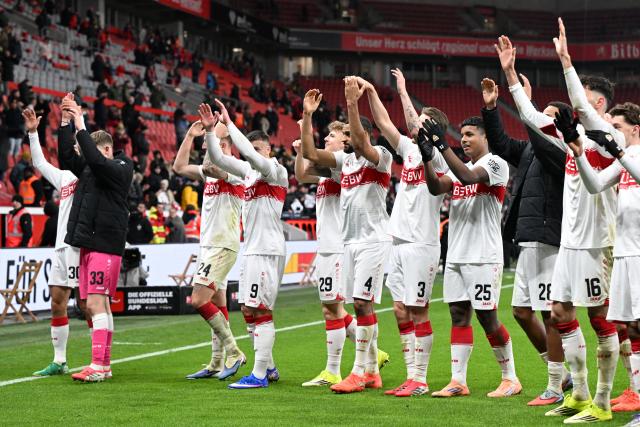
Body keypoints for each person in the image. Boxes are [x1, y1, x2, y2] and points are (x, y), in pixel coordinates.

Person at [501, 29, 618, 422]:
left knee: (600, 318)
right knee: (559, 313)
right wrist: (512, 78)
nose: (576, 103)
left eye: (584, 98)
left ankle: (601, 401)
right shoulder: (573, 136)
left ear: (597, 103)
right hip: (568, 243)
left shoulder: (608, 139)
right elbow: (533, 119)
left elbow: (581, 107)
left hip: (595, 243)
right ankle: (579, 394)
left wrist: (566, 61)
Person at [480, 76, 572, 405]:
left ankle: (554, 385)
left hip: (549, 237)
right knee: (521, 311)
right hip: (528, 237)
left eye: (547, 116)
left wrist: (527, 107)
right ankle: (561, 374)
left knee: (550, 313)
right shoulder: (532, 149)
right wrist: (491, 108)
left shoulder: (561, 151)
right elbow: (502, 146)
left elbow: (540, 133)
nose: (539, 120)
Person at [299, 80, 393, 394]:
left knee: (364, 304)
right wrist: (307, 116)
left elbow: (364, 142)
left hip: (373, 241)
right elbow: (311, 154)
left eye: (351, 134)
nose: (348, 139)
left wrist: (353, 104)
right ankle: (371, 373)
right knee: (360, 307)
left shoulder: (378, 155)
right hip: (350, 243)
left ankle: (358, 371)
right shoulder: (346, 162)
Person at [362, 72, 449, 397]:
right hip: (396, 242)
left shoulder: (439, 158)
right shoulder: (410, 150)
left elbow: (413, 123)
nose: (416, 125)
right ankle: (411, 375)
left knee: (418, 309)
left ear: (434, 129)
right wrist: (376, 90)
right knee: (400, 309)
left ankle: (421, 379)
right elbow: (385, 125)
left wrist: (403, 92)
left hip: (421, 243)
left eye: (424, 123)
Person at [420, 115, 519, 398]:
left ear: (486, 137)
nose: (463, 139)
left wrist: (441, 144)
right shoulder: (459, 168)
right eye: (461, 134)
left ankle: (510, 378)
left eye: (470, 134)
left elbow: (468, 177)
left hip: (484, 255)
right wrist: (428, 158)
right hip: (457, 255)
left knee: (487, 317)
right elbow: (436, 187)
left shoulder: (495, 163)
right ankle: (458, 381)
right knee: (458, 314)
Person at [204, 100, 288, 389]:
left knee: (260, 310)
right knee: (248, 309)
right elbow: (219, 158)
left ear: (268, 150)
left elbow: (249, 155)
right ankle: (271, 367)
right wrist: (209, 132)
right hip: (253, 249)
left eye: (259, 149)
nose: (255, 154)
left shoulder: (275, 170)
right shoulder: (249, 173)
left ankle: (260, 374)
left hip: (266, 249)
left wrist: (229, 121)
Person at [564, 104, 640, 423]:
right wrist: (579, 152)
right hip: (624, 252)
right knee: (632, 327)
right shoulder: (625, 161)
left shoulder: (632, 157)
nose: (615, 133)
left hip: (638, 253)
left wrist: (618, 153)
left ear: (636, 128)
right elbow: (594, 184)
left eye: (619, 127)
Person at [295, 117, 377, 388]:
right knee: (333, 307)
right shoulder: (334, 167)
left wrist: (305, 127)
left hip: (338, 246)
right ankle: (373, 357)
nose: (327, 138)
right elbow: (302, 174)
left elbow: (311, 161)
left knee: (335, 308)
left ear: (346, 139)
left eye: (332, 135)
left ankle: (335, 369)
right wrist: (300, 149)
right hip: (329, 246)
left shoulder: (343, 164)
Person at [59, 94, 133, 383]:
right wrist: (66, 121)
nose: (84, 154)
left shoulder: (120, 167)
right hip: (90, 243)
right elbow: (66, 157)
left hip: (105, 242)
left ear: (105, 148)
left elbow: (96, 162)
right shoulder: (92, 168)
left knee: (96, 303)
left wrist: (80, 123)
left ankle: (98, 366)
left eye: (88, 148)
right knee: (94, 303)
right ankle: (104, 364)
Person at [173, 119, 246, 380]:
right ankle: (216, 362)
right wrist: (190, 135)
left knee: (199, 299)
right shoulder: (210, 170)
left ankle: (234, 351)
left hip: (222, 246)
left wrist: (210, 131)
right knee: (217, 301)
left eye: (209, 142)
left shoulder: (238, 170)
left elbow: (210, 166)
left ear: (223, 144)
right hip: (209, 246)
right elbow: (179, 166)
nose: (205, 144)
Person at [22, 108, 91, 377]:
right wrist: (32, 133)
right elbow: (39, 163)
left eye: (76, 145)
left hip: (82, 245)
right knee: (57, 301)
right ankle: (59, 360)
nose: (73, 149)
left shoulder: (91, 174)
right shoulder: (64, 177)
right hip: (62, 247)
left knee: (87, 304)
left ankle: (99, 357)